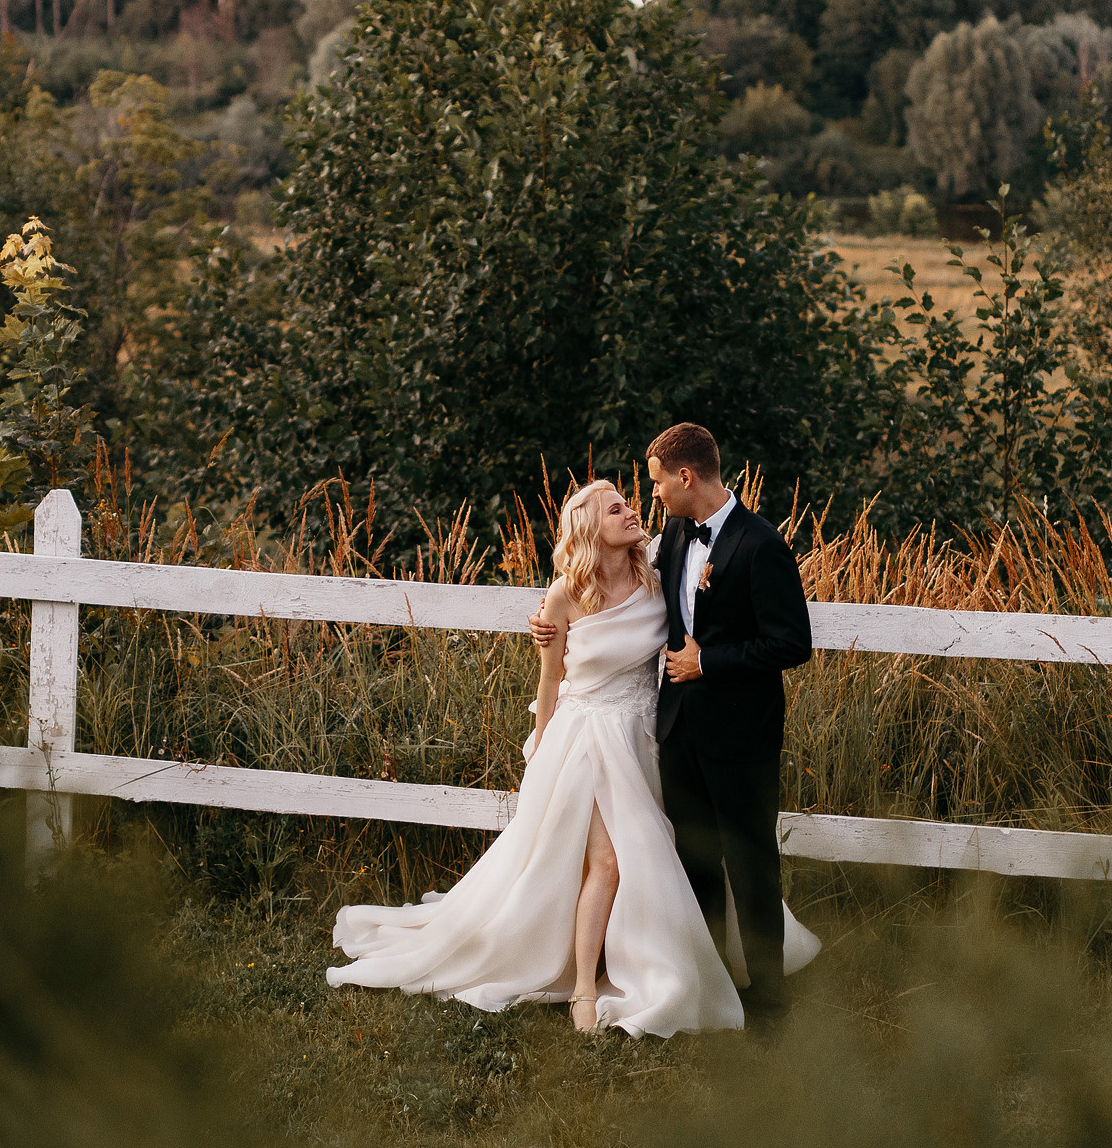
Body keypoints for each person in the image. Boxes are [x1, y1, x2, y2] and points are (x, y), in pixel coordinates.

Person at [325, 468, 816, 1036]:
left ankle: (671, 963)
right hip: (588, 740)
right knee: (607, 863)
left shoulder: (656, 567)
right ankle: (585, 986)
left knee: (664, 858)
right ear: (588, 527)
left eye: (633, 500)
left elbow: (710, 613)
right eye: (616, 509)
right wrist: (542, 742)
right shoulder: (563, 596)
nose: (635, 509)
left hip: (650, 736)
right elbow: (550, 681)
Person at [643, 421, 815, 1021]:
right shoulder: (672, 534)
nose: (655, 494)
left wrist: (707, 660)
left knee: (750, 865)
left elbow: (792, 643)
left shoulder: (761, 544)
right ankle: (711, 989)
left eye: (659, 482)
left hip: (741, 738)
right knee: (695, 863)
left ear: (686, 476)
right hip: (680, 732)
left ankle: (769, 1001)